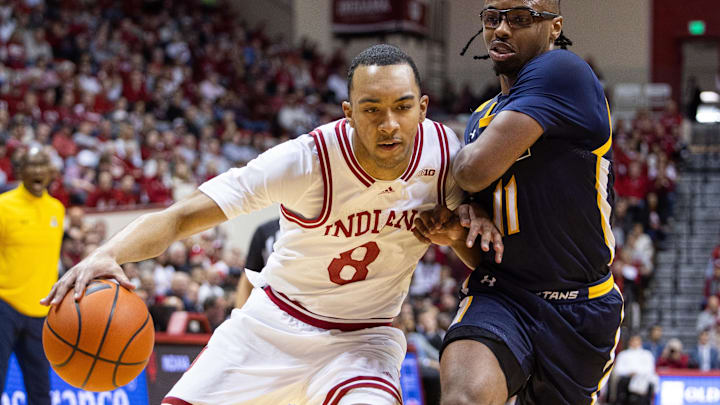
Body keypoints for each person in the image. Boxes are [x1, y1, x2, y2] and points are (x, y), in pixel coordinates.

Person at [42, 44, 498, 405]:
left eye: (401, 107)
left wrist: (456, 233)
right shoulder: (305, 161)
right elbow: (180, 217)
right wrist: (105, 254)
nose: (389, 124)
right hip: (272, 327)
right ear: (349, 112)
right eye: (372, 109)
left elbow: (477, 258)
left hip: (363, 341)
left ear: (422, 107)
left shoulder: (445, 155)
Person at [416, 1, 624, 404]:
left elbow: (473, 170)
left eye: (520, 19)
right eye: (492, 19)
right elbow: (487, 247)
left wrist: (440, 162)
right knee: (463, 398)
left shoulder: (563, 71)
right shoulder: (479, 118)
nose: (502, 30)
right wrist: (461, 227)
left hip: (580, 307)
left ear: (554, 27)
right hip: (503, 294)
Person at [0, 147, 65, 405]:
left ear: (51, 172)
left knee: (40, 392)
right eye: (31, 165)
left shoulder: (57, 209)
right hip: (4, 306)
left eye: (42, 165)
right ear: (20, 171)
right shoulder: (4, 206)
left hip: (40, 313)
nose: (38, 170)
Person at [234, 218, 280, 308]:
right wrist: (240, 311)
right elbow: (247, 277)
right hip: (271, 305)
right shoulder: (265, 231)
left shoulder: (313, 232)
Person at [609, 335, 657, 405]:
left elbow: (650, 369)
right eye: (633, 341)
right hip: (626, 380)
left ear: (640, 342)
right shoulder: (623, 354)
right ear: (630, 342)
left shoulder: (647, 355)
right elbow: (618, 370)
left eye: (637, 341)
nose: (635, 343)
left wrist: (637, 373)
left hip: (642, 380)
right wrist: (630, 373)